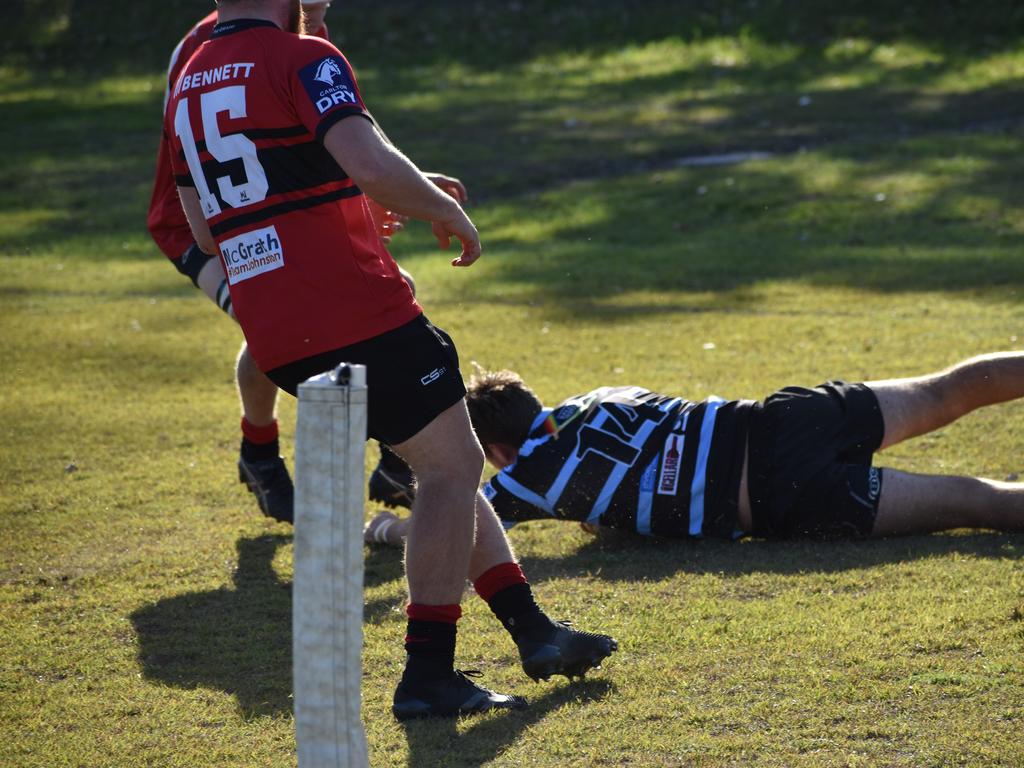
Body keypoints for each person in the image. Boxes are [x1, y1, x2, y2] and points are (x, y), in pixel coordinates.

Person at [165, 0, 617, 720]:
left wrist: (324, 204)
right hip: (354, 311)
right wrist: (444, 208)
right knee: (450, 469)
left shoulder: (190, 75)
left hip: (274, 331)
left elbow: (205, 225)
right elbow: (371, 162)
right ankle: (429, 676)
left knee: (446, 461)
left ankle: (533, 631)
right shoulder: (305, 57)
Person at [146, 0, 428, 523]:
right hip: (201, 221)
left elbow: (333, 128)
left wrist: (404, 184)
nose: (320, 16)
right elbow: (220, 155)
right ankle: (261, 453)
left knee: (357, 303)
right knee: (284, 327)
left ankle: (395, 456)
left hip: (263, 212)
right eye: (313, 7)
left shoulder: (295, 30)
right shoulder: (210, 48)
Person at [366, 352, 1024, 546]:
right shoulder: (601, 392)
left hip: (780, 502)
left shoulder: (521, 483)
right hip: (781, 421)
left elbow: (451, 521)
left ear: (497, 452)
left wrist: (384, 528)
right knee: (947, 391)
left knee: (976, 501)